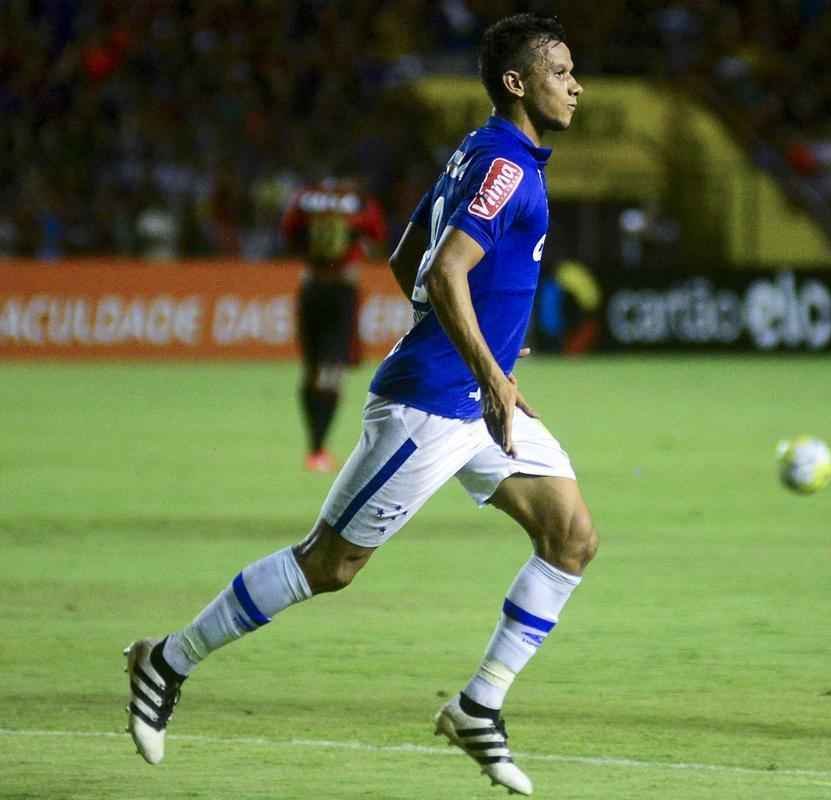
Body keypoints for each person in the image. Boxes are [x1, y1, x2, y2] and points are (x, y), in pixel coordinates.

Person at [124, 14, 593, 796]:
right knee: (329, 565)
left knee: (570, 535)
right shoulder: (507, 166)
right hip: (433, 408)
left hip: (475, 403)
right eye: (561, 70)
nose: (576, 84)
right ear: (517, 83)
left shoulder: (478, 153)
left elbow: (405, 256)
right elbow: (441, 274)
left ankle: (479, 704)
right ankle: (164, 659)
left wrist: (492, 366)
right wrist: (485, 369)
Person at [281, 172, 387, 472]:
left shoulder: (304, 197)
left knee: (311, 370)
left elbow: (288, 233)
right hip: (342, 288)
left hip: (311, 286)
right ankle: (318, 448)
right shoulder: (360, 201)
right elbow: (377, 237)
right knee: (332, 371)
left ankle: (313, 446)